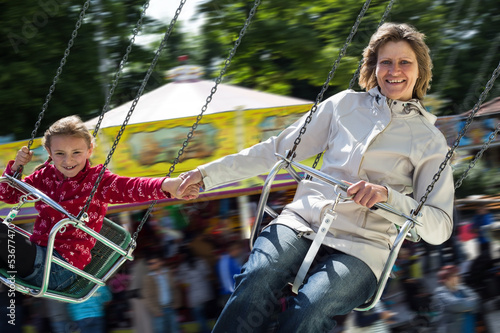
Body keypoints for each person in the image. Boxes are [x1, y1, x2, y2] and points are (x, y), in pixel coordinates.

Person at [176, 22, 455, 332]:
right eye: (385, 61)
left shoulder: (430, 141)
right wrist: (206, 175)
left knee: (307, 312)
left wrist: (388, 196)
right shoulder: (343, 106)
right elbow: (278, 150)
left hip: (364, 246)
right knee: (258, 278)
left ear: (420, 71)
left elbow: (439, 226)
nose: (394, 70)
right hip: (304, 220)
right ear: (373, 67)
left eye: (405, 62)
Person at [0, 115, 199, 291]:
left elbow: (133, 186)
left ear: (89, 150)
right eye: (60, 153)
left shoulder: (98, 181)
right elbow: (8, 194)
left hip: (58, 269)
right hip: (36, 254)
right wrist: (18, 165)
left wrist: (169, 185)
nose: (68, 160)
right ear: (49, 153)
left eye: (76, 152)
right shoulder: (45, 176)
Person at [431, 265, 479, 333]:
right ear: (447, 279)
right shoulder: (440, 292)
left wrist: (465, 305)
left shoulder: (463, 288)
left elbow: (477, 300)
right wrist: (469, 303)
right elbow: (455, 305)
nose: (459, 277)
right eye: (455, 275)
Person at [143, 253, 181, 333]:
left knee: (174, 330)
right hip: (159, 311)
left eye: (153, 263)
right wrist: (155, 311)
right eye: (149, 264)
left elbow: (175, 288)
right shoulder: (148, 278)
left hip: (171, 307)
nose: (151, 265)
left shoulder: (167, 273)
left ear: (160, 262)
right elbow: (147, 297)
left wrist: (176, 304)